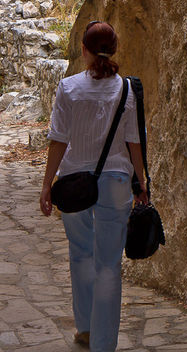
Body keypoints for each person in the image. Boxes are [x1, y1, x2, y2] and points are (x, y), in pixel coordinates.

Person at [40, 21, 147, 351]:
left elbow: (58, 139)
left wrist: (47, 185)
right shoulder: (127, 90)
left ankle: (85, 327)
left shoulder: (69, 88)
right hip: (116, 182)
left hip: (74, 182)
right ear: (114, 50)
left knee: (80, 254)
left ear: (83, 50)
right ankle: (104, 344)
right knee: (108, 265)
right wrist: (141, 183)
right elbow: (134, 142)